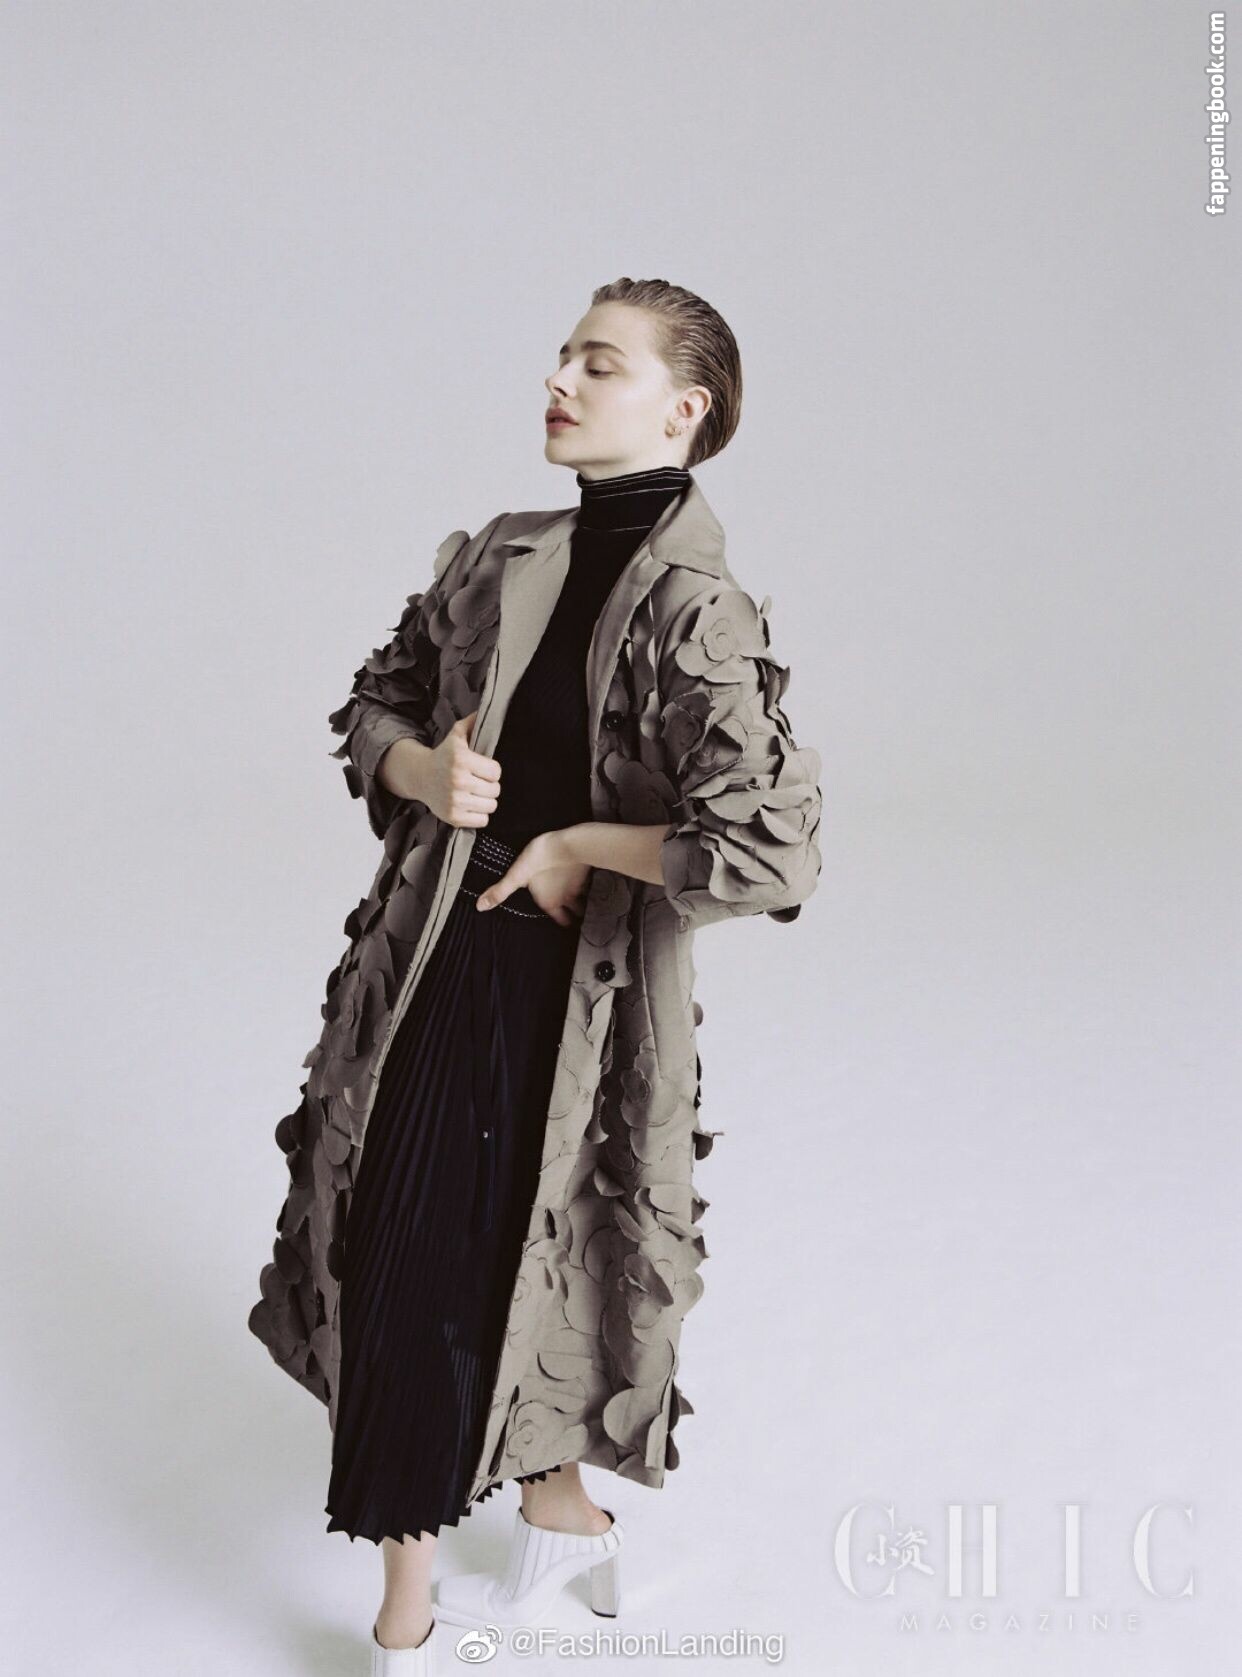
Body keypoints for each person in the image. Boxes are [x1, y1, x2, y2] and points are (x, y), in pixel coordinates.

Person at [252, 278, 822, 1676]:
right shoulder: (503, 552)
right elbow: (374, 704)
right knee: (415, 1236)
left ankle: (408, 1612)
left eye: (599, 363)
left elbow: (767, 846)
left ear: (684, 410)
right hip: (433, 952)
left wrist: (578, 841)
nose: (559, 380)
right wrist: (418, 770)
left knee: (488, 1248)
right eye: (563, 354)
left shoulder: (695, 607)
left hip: (574, 992)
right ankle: (558, 1518)